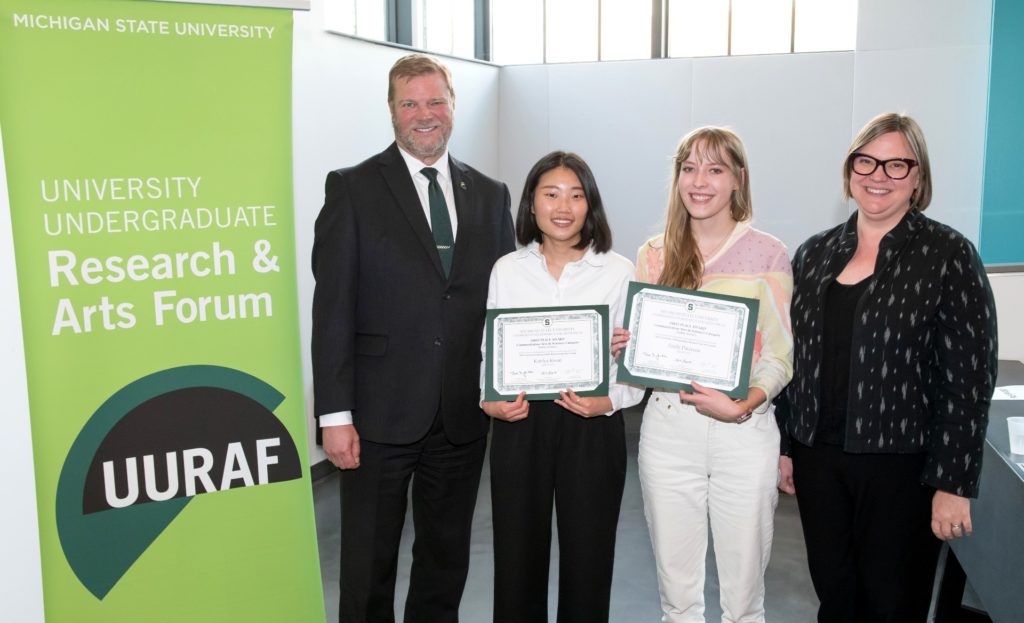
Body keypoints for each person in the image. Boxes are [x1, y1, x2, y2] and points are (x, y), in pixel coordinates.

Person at [311, 53, 515, 623]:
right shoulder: (352, 189)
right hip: (376, 418)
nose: (424, 115)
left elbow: (508, 301)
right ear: (392, 111)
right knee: (368, 565)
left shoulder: (491, 194)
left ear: (453, 107)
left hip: (461, 415)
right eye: (410, 103)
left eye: (435, 101)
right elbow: (331, 309)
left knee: (445, 561)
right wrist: (334, 415)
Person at [779, 112, 997, 622]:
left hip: (903, 468)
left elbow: (968, 379)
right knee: (836, 600)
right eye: (867, 161)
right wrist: (787, 446)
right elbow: (795, 358)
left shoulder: (948, 254)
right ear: (849, 170)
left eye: (897, 164)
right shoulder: (815, 253)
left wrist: (953, 482)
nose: (879, 175)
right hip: (819, 462)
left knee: (892, 606)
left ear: (918, 178)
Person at [627, 127, 794, 622]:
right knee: (678, 598)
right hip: (668, 430)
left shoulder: (768, 253)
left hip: (742, 431)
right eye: (690, 168)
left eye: (715, 169)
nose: (700, 181)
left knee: (744, 599)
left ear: (738, 180)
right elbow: (642, 359)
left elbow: (781, 355)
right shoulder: (653, 254)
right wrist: (627, 349)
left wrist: (744, 404)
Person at [481, 151, 644, 623]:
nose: (563, 206)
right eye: (550, 194)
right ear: (531, 204)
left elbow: (631, 367)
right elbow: (491, 350)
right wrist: (489, 402)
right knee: (515, 564)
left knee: (589, 563)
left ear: (590, 206)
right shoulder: (507, 270)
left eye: (576, 195)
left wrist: (609, 401)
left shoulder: (618, 270)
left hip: (591, 426)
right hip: (520, 423)